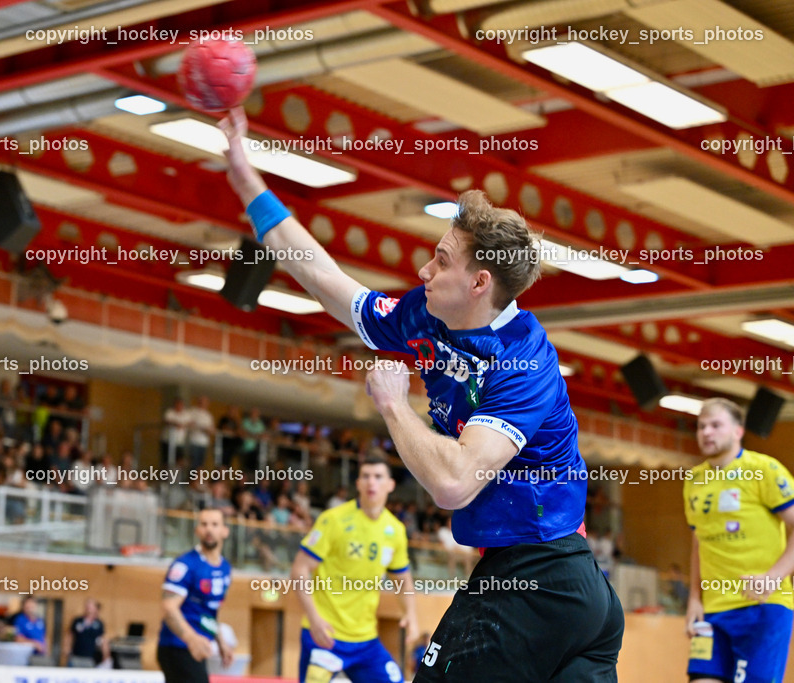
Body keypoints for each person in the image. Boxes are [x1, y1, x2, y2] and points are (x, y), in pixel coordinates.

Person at [220, 107, 623, 680]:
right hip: (549, 585)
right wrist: (245, 178)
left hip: (543, 578)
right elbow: (329, 282)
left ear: (480, 283)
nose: (423, 268)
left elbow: (455, 482)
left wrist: (392, 403)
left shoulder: (523, 362)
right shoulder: (426, 313)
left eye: (440, 259)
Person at [684, 398, 794, 683]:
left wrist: (773, 577)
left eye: (716, 425)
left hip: (762, 608)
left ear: (738, 431)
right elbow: (699, 541)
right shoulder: (694, 480)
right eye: (701, 426)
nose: (706, 432)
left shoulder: (764, 470)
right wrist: (695, 598)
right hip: (713, 611)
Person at [292, 455, 418, 682]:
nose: (372, 483)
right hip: (324, 635)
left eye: (378, 477)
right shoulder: (334, 520)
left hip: (365, 641)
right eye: (366, 476)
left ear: (390, 485)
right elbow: (300, 570)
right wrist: (314, 618)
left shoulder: (395, 530)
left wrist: (411, 614)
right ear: (357, 483)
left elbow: (402, 579)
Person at [158, 507, 233, 683]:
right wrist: (191, 639)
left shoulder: (225, 568)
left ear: (225, 531)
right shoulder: (186, 565)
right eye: (204, 524)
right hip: (177, 647)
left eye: (215, 524)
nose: (209, 529)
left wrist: (220, 641)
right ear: (197, 530)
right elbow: (168, 607)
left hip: (199, 648)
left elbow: (210, 611)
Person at [62, 599, 106, 667]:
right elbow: (69, 635)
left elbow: (103, 640)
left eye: (90, 606)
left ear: (95, 608)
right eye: (87, 606)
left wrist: (105, 654)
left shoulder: (99, 623)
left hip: (90, 657)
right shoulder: (78, 621)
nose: (88, 608)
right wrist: (66, 647)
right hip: (76, 655)